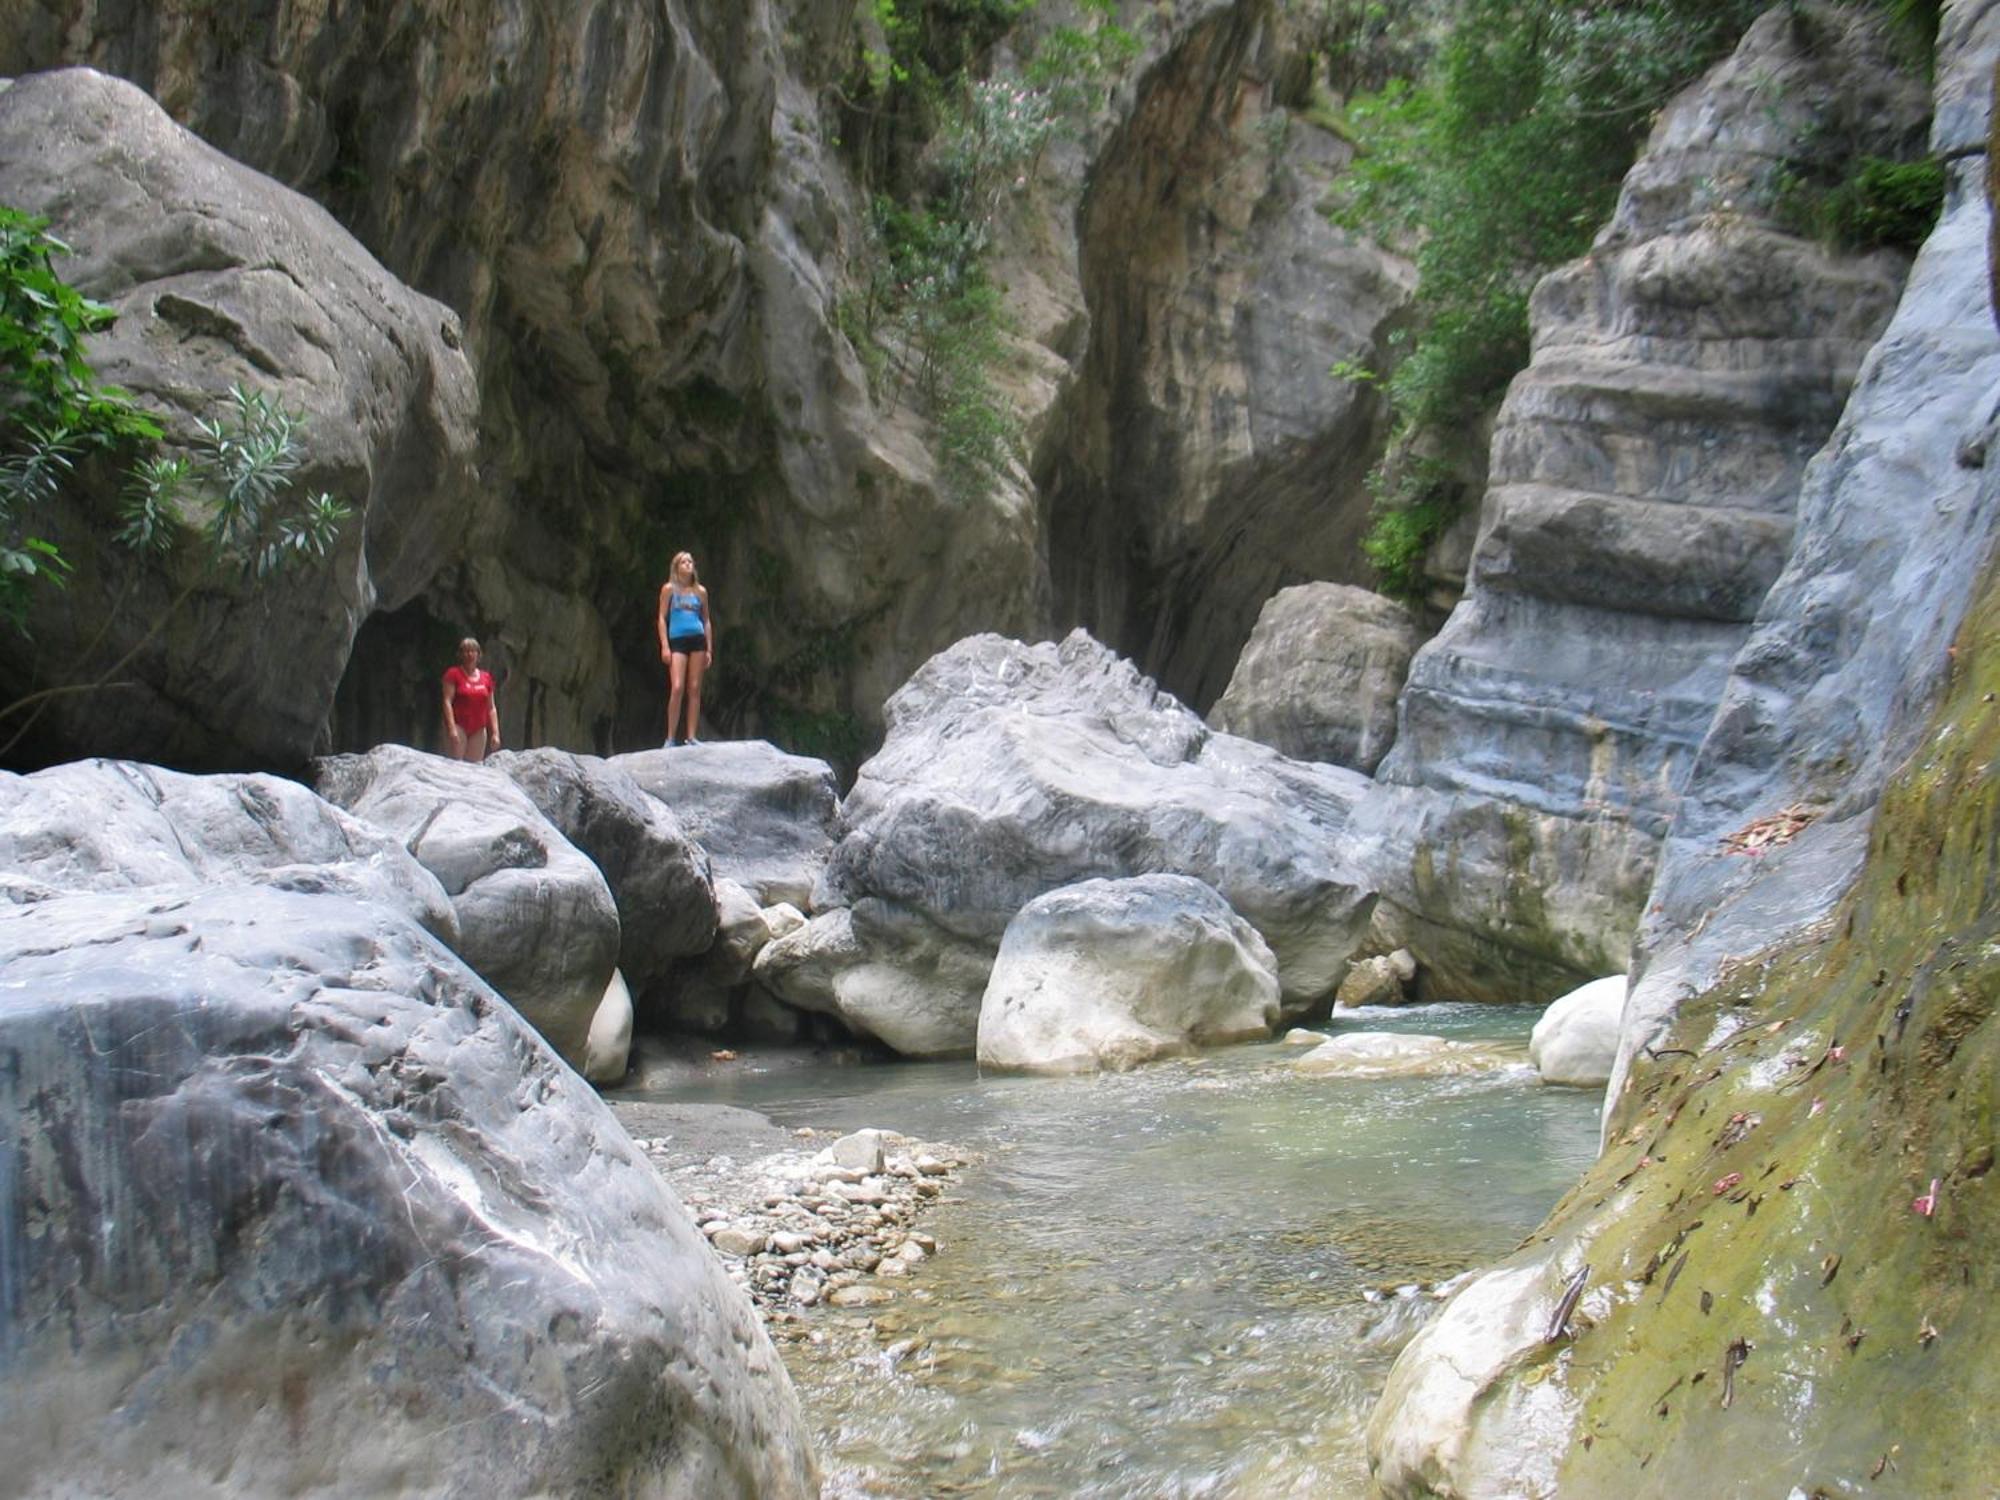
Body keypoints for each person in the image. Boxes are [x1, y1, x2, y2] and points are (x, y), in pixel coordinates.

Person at [656, 550, 714, 746]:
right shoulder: (669, 589)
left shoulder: (700, 592)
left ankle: (691, 736)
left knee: (695, 688)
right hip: (677, 640)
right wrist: (664, 645)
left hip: (697, 639)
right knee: (678, 686)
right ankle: (670, 737)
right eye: (684, 562)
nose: (689, 564)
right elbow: (662, 618)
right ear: (676, 567)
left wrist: (709, 648)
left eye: (690, 562)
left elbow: (706, 620)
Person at [442, 636, 501, 761]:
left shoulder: (486, 677)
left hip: (478, 729)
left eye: (473, 651)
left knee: (473, 769)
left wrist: (495, 733)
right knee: (455, 765)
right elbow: (447, 701)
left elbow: (491, 708)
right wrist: (451, 728)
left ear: (478, 654)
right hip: (459, 726)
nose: (469, 654)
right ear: (460, 654)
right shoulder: (453, 674)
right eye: (465, 651)